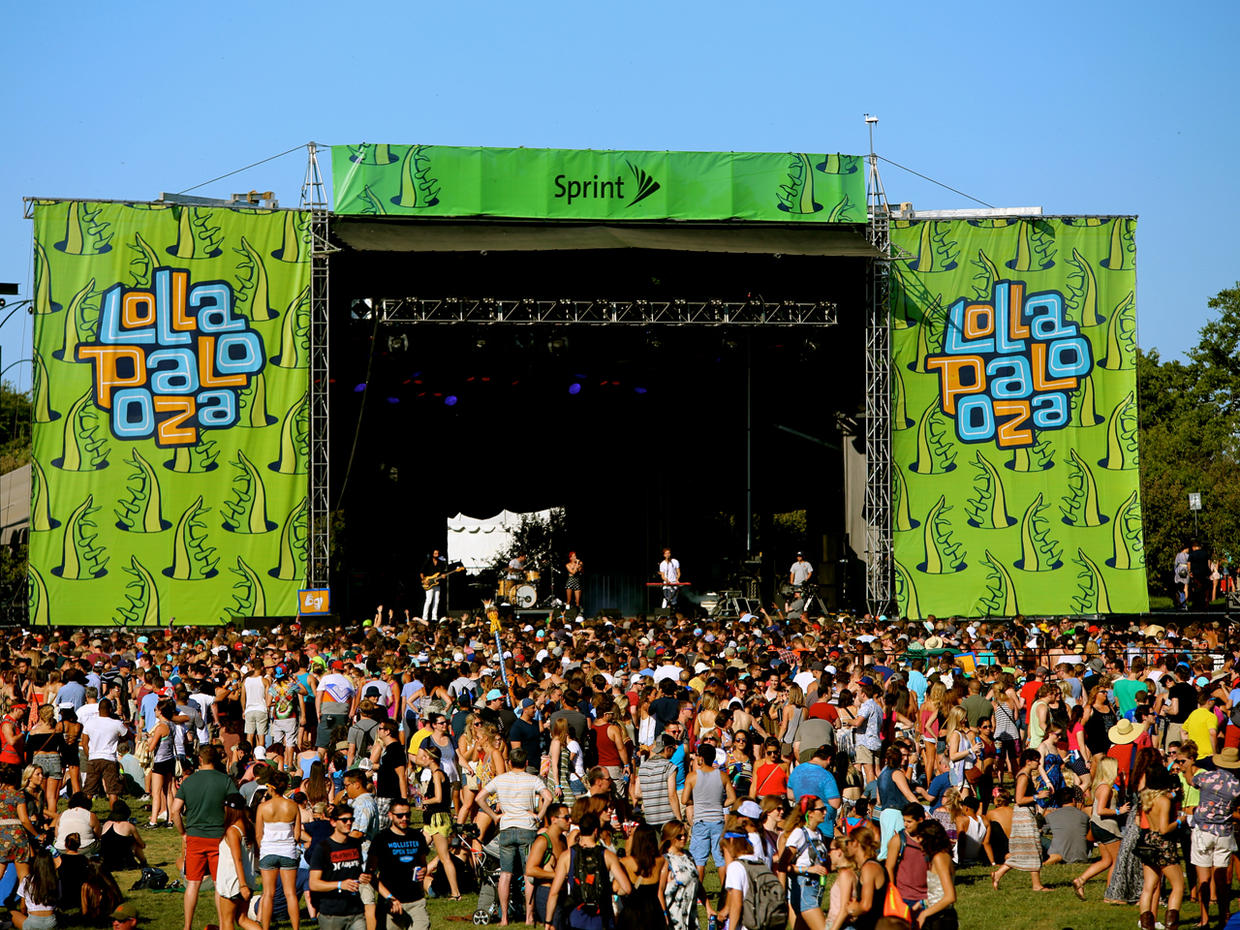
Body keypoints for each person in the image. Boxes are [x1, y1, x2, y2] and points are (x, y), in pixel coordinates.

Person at [475, 747, 553, 927]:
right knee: (528, 874)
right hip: (527, 828)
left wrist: (494, 816)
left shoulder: (500, 779)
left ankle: (504, 918)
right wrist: (539, 816)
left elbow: (480, 798)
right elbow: (548, 798)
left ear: (509, 763)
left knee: (505, 873)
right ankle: (529, 917)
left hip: (507, 827)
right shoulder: (533, 780)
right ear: (526, 763)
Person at [172, 745, 237, 930]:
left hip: (195, 836)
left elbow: (175, 811)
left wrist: (183, 832)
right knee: (219, 884)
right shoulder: (225, 780)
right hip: (219, 836)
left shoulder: (189, 782)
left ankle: (187, 926)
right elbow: (235, 806)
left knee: (193, 883)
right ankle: (223, 924)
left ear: (200, 759)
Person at [542, 810, 632, 930]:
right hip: (602, 916)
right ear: (596, 830)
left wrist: (549, 921)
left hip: (576, 914)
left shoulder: (567, 856)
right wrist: (609, 890)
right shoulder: (608, 855)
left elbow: (554, 892)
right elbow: (626, 888)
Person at [1189, 745, 1240, 926]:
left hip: (1203, 830)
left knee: (1203, 878)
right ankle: (1224, 915)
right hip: (1224, 832)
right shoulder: (1237, 786)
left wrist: (1188, 765)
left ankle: (1204, 919)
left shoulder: (1206, 777)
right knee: (1222, 880)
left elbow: (1191, 781)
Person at [681, 742, 736, 897]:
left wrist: (697, 802)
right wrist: (719, 804)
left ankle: (697, 893)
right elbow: (732, 798)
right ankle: (725, 891)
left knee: (699, 859)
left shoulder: (692, 777)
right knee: (720, 859)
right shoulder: (722, 776)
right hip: (718, 820)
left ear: (700, 759)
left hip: (700, 821)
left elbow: (685, 800)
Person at [365, 797, 429, 930]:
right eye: (400, 815)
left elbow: (423, 863)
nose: (404, 818)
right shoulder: (381, 839)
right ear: (390, 815)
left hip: (416, 901)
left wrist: (423, 871)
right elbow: (370, 873)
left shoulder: (417, 836)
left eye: (408, 815)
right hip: (390, 903)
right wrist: (389, 897)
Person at [990, 750, 1048, 892]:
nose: (1038, 763)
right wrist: (1037, 796)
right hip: (1023, 815)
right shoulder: (1023, 776)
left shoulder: (1026, 775)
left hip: (1025, 814)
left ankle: (998, 874)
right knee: (1033, 848)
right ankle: (1037, 885)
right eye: (1036, 760)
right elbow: (1019, 799)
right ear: (1028, 761)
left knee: (1026, 850)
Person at [1137, 767, 1185, 930]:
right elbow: (1164, 828)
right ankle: (1171, 926)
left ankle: (1145, 925)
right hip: (1162, 843)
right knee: (1178, 885)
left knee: (1148, 887)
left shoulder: (1145, 798)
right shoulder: (1164, 801)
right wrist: (1179, 821)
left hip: (1148, 841)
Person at [1072, 756, 1128, 898]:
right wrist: (1118, 812)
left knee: (1106, 860)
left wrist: (1121, 783)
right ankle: (1111, 894)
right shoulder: (1105, 788)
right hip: (1106, 827)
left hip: (1097, 826)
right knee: (1117, 860)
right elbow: (1101, 810)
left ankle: (1080, 880)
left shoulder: (1102, 785)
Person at [307, 803, 366, 930]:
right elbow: (314, 883)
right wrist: (340, 884)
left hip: (356, 911)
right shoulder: (322, 848)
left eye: (351, 820)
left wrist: (362, 877)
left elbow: (356, 871)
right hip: (332, 913)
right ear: (333, 822)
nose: (349, 823)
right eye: (344, 820)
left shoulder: (355, 844)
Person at [257, 770, 303, 930]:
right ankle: (296, 927)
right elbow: (297, 835)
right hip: (288, 851)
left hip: (268, 851)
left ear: (271, 787)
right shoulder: (293, 806)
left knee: (268, 893)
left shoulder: (263, 807)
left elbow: (258, 834)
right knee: (290, 893)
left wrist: (262, 849)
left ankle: (265, 927)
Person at [778, 796, 830, 930]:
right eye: (822, 809)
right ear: (810, 813)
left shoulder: (818, 833)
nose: (825, 812)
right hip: (804, 890)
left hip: (817, 888)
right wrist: (808, 869)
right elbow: (783, 865)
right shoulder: (799, 834)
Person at [216, 794, 261, 930]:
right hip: (248, 878)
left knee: (227, 921)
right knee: (242, 919)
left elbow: (238, 859)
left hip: (233, 881)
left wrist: (242, 885)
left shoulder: (232, 830)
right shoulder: (248, 827)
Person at [526, 803, 569, 925]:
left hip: (562, 892)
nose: (569, 820)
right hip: (546, 892)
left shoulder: (563, 839)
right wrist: (556, 875)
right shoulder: (543, 841)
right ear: (554, 819)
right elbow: (530, 870)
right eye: (566, 817)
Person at [617, 824, 667, 930]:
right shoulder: (661, 861)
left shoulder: (625, 862)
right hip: (654, 912)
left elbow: (617, 888)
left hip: (632, 913)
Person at [80, 698, 127, 809]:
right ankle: (115, 816)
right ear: (110, 709)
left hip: (94, 758)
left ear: (99, 709)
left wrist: (89, 756)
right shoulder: (116, 723)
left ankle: (83, 813)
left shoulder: (89, 723)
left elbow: (84, 743)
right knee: (112, 791)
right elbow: (126, 735)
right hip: (109, 759)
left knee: (89, 790)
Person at [912, 819, 958, 930]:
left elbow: (950, 896)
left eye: (919, 837)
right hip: (936, 913)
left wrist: (924, 914)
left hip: (941, 918)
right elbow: (938, 890)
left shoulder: (940, 858)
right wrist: (922, 903)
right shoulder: (939, 856)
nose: (917, 841)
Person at [659, 820, 701, 930]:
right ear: (670, 837)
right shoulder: (665, 860)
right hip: (674, 916)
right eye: (679, 836)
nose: (683, 838)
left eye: (685, 835)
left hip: (691, 916)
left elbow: (697, 883)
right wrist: (664, 914)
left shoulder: (688, 855)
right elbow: (660, 890)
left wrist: (709, 908)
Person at [13, 846, 57, 930]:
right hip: (52, 922)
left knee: (12, 913)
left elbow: (23, 907)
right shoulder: (56, 881)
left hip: (32, 923)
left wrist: (25, 916)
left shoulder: (27, 880)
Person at [98, 800, 147, 872]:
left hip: (106, 862)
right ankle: (144, 863)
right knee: (135, 843)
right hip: (123, 863)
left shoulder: (106, 824)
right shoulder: (129, 826)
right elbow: (142, 845)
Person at [420, 549, 447, 622]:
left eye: (437, 553)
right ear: (432, 554)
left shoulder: (441, 563)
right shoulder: (428, 562)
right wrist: (424, 580)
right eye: (435, 553)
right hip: (428, 583)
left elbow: (442, 573)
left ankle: (434, 617)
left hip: (437, 583)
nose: (436, 554)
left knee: (436, 601)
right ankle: (424, 617)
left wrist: (443, 575)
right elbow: (422, 572)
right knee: (429, 600)